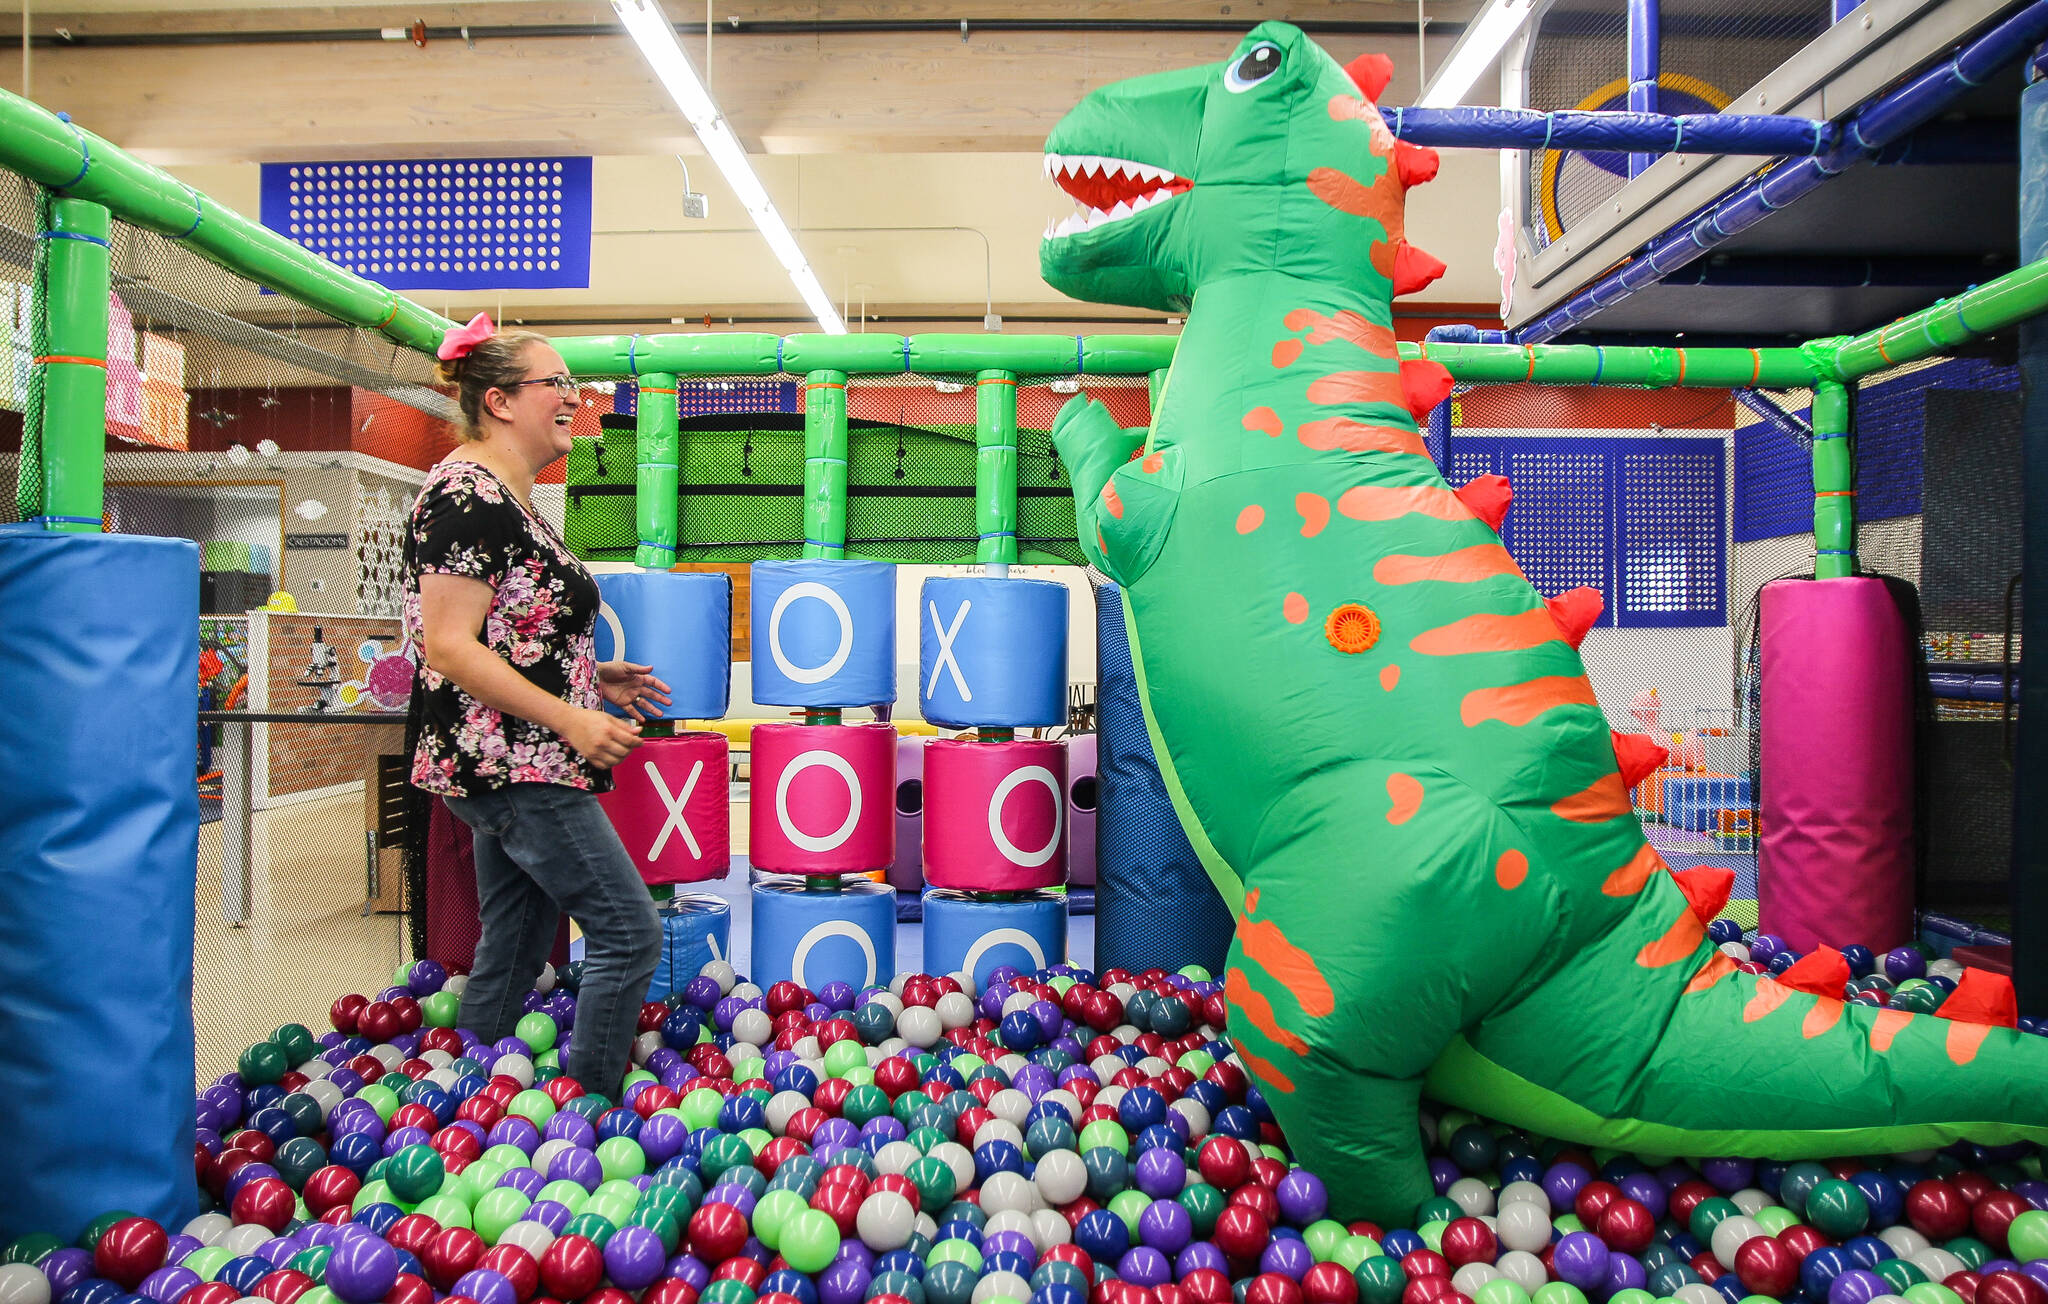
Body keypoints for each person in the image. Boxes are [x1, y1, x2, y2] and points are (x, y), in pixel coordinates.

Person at [401, 312, 670, 1094]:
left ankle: (458, 1103)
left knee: (516, 944)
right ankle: (590, 1106)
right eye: (555, 382)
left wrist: (594, 677)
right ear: (499, 402)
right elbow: (449, 644)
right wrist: (573, 718)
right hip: (518, 762)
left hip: (514, 756)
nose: (572, 396)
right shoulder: (469, 495)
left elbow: (516, 626)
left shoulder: (504, 499)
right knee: (628, 932)